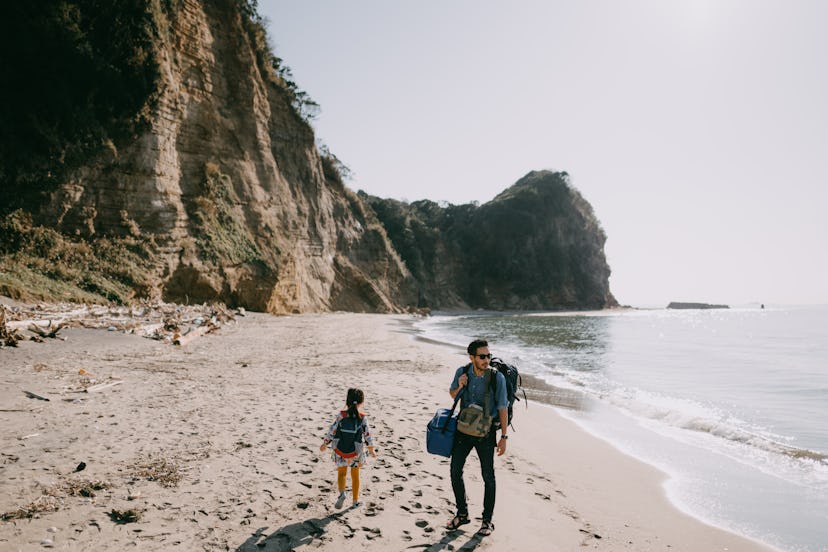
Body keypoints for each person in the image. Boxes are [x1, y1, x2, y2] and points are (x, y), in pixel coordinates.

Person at [446, 339, 508, 537]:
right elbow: (452, 394)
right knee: (455, 471)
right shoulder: (462, 371)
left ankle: (487, 521)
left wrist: (504, 436)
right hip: (463, 431)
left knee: (488, 477)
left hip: (486, 434)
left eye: (488, 355)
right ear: (471, 357)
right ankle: (462, 513)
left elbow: (503, 407)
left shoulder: (496, 377)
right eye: (482, 356)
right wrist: (460, 386)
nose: (486, 359)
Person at [320, 388, 376, 508]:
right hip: (355, 452)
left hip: (340, 451)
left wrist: (325, 443)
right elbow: (367, 434)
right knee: (355, 477)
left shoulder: (341, 415)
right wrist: (371, 449)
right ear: (361, 402)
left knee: (341, 474)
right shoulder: (362, 418)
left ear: (347, 401)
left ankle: (342, 494)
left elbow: (332, 430)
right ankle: (355, 501)